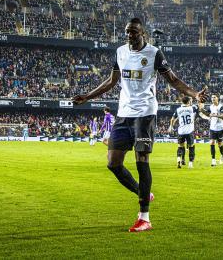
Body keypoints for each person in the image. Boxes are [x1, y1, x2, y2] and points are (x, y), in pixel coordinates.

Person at [72, 17, 207, 233]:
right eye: (127, 32)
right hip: (124, 114)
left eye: (133, 32)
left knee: (141, 160)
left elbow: (172, 79)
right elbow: (111, 81)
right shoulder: (120, 52)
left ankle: (144, 217)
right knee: (113, 163)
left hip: (145, 114)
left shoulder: (154, 54)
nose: (129, 35)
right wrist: (87, 96)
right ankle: (143, 192)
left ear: (142, 33)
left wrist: (194, 94)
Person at [169, 96, 199, 169]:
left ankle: (179, 160)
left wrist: (171, 127)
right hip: (189, 131)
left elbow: (172, 119)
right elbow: (199, 107)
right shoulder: (192, 108)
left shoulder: (178, 109)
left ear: (182, 101)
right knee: (191, 146)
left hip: (181, 131)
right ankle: (190, 163)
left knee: (180, 146)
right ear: (188, 102)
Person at [199, 94, 223, 166]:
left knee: (220, 144)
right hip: (212, 127)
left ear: (217, 98)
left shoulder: (221, 107)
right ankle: (213, 160)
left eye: (214, 97)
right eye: (212, 97)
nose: (213, 98)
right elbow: (208, 114)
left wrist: (215, 115)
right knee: (211, 143)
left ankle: (222, 155)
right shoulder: (210, 107)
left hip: (220, 128)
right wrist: (201, 109)